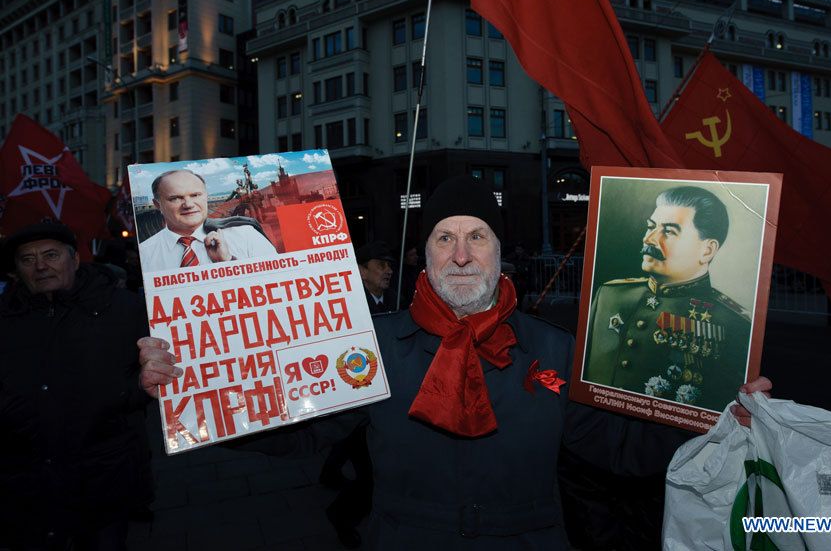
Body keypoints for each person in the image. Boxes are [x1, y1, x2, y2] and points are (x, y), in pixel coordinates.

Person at [138, 176, 770, 549]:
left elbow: (621, 445)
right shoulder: (370, 347)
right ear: (425, 256)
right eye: (445, 237)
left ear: (501, 255)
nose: (461, 255)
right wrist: (188, 382)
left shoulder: (556, 350)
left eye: (478, 238)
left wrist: (716, 411)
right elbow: (298, 428)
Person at [0, 222, 153, 550]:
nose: (40, 265)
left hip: (104, 476)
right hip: (27, 482)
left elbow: (153, 379)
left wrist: (131, 391)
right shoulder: (5, 319)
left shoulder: (123, 308)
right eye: (27, 259)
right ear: (16, 271)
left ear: (75, 259)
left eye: (51, 255)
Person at [582, 185, 751, 411]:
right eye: (651, 227)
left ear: (707, 250)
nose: (649, 239)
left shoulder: (733, 324)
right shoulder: (609, 295)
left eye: (669, 231)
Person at [139, 169, 276, 272]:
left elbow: (279, 284)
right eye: (175, 198)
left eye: (195, 195)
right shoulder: (145, 254)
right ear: (158, 205)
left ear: (205, 196)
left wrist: (228, 262)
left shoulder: (247, 235)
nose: (188, 204)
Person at [356, 240, 398, 314]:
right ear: (362, 272)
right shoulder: (355, 305)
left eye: (389, 265)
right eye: (381, 265)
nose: (390, 271)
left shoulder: (398, 301)